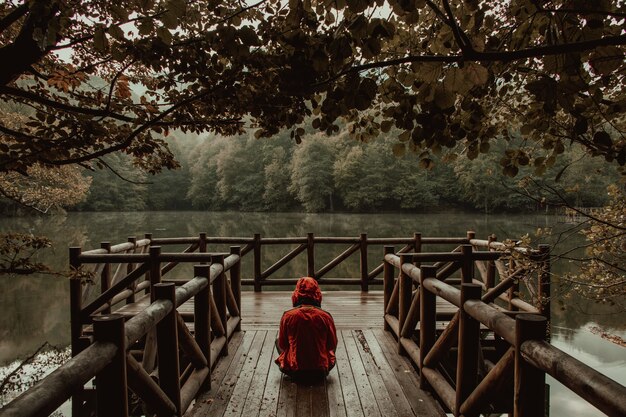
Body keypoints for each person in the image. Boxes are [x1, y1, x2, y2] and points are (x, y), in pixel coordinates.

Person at [275, 277, 338, 381]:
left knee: (277, 341)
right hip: (320, 372)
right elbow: (332, 344)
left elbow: (283, 344)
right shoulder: (326, 316)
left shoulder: (288, 316)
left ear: (296, 295)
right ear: (317, 295)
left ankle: (290, 364)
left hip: (296, 372)